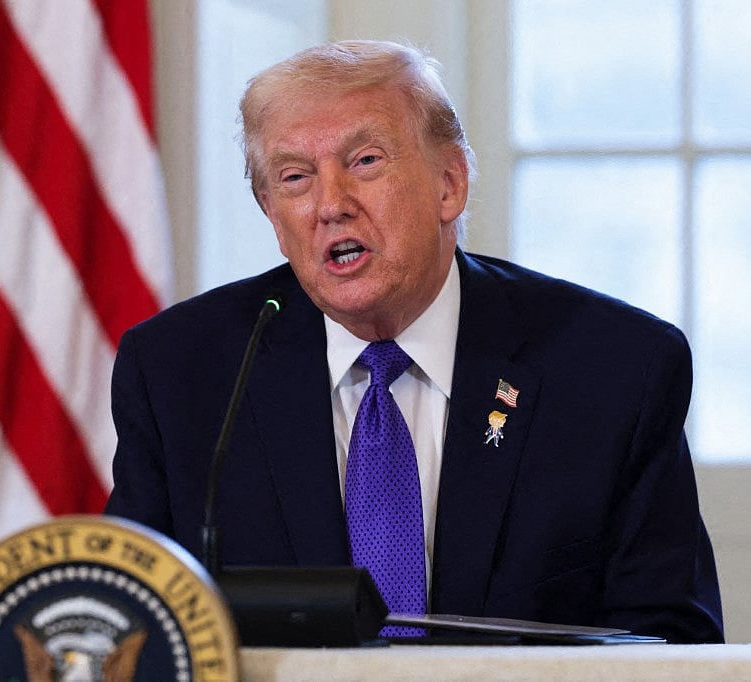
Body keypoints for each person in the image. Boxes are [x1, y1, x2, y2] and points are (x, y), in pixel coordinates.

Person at [105, 40, 724, 643]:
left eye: (365, 161)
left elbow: (668, 640)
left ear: (449, 184)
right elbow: (127, 621)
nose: (330, 205)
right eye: (295, 177)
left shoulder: (613, 370)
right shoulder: (181, 373)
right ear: (272, 213)